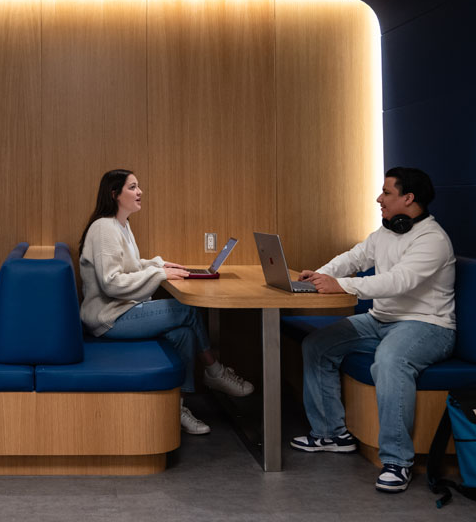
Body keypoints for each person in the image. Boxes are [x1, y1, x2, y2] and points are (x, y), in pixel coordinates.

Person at [290, 167, 456, 494]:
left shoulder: (432, 240)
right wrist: (317, 278)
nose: (379, 198)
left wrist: (341, 287)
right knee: (317, 345)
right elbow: (353, 258)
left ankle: (397, 461)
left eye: (387, 193)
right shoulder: (385, 233)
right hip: (381, 320)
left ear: (408, 198)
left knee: (390, 362)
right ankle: (331, 434)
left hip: (427, 325)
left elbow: (398, 282)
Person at [78, 169, 253, 435]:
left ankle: (177, 407)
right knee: (187, 309)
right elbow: (111, 283)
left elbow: (130, 266)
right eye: (133, 187)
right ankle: (213, 370)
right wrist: (159, 274)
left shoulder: (121, 225)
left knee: (183, 333)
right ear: (115, 194)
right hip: (108, 318)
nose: (140, 192)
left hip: (122, 311)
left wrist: (158, 264)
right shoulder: (104, 228)